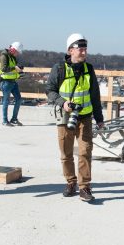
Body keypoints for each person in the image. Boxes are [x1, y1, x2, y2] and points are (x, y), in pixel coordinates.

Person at [46, 33, 105, 201]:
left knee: (85, 151)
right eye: (81, 49)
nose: (84, 52)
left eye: (85, 49)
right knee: (66, 152)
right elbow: (49, 91)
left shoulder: (89, 68)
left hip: (85, 117)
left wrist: (99, 118)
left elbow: (95, 95)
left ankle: (84, 187)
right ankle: (70, 182)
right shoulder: (59, 68)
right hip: (65, 117)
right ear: (70, 50)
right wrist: (62, 102)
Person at [0, 41, 25, 127]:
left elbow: (14, 70)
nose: (17, 54)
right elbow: (3, 69)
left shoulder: (13, 57)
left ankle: (14, 119)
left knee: (18, 99)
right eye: (17, 52)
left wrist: (19, 72)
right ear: (13, 49)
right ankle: (5, 121)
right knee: (6, 101)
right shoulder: (4, 56)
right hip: (5, 82)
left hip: (13, 82)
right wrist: (14, 68)